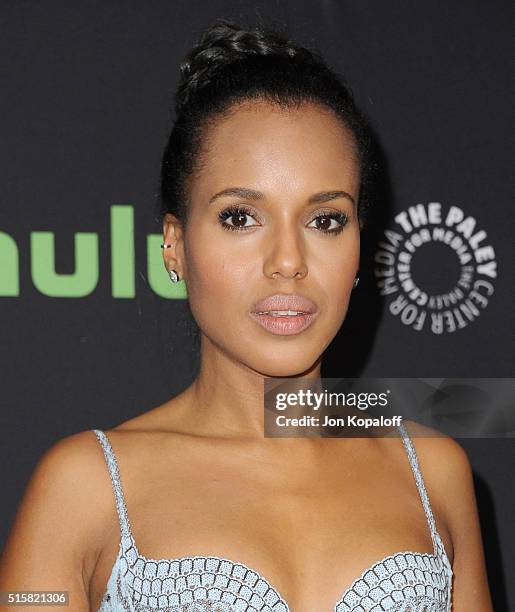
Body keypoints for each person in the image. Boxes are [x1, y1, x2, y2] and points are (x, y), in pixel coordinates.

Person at [0, 18, 492, 612]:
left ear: (361, 246)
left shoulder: (436, 473)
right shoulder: (84, 486)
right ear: (175, 245)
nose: (288, 261)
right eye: (240, 216)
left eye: (326, 220)